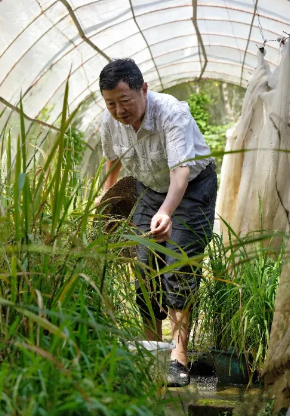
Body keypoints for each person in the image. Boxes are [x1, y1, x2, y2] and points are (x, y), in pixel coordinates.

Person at [96, 58, 217, 387]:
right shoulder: (110, 122)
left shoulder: (171, 113)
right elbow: (112, 160)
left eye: (125, 100)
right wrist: (107, 199)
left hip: (192, 188)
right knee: (145, 267)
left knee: (179, 266)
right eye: (111, 103)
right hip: (149, 187)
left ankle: (179, 360)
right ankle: (151, 352)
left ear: (143, 90)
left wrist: (165, 212)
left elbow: (180, 171)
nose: (119, 110)